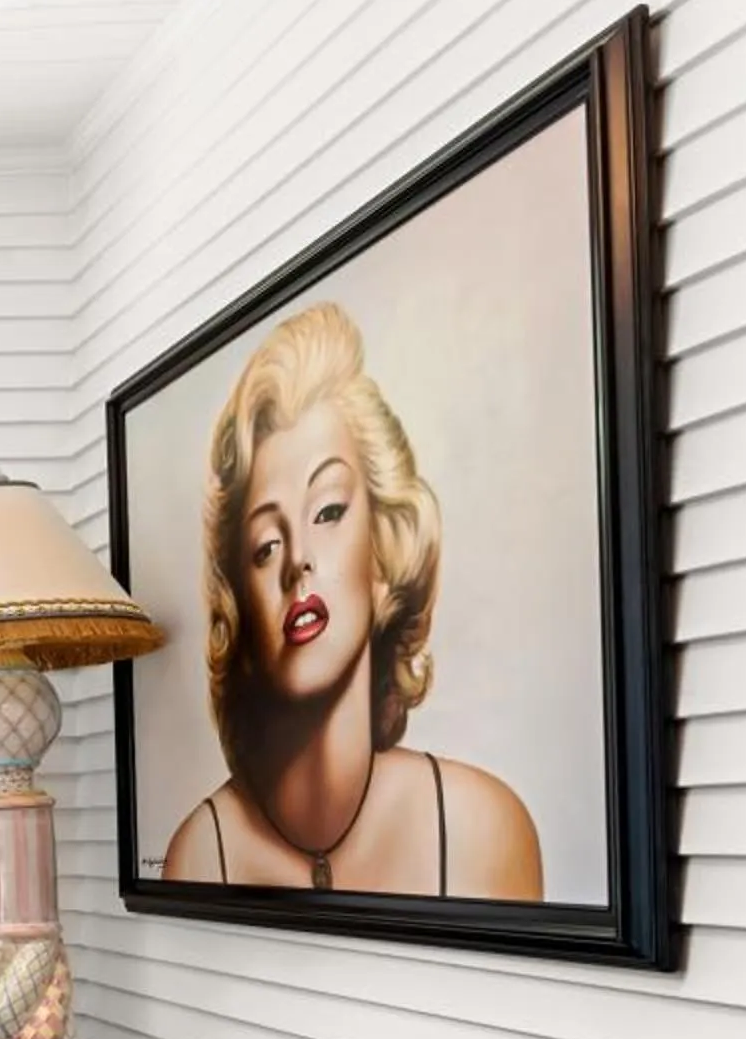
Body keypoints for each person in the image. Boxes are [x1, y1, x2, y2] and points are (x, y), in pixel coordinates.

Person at [160, 302, 541, 898]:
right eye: (265, 546)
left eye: (329, 511)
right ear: (242, 613)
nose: (297, 562)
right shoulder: (202, 856)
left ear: (383, 556)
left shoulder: (483, 832)